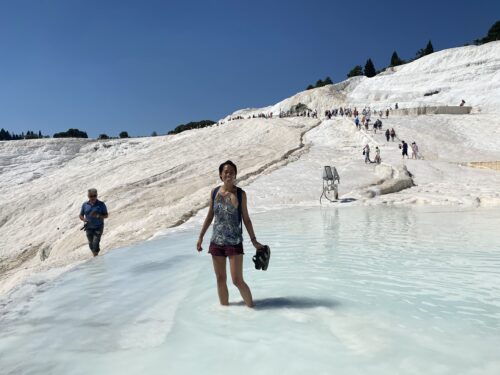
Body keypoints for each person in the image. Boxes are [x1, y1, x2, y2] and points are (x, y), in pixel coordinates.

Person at [197, 160, 263, 308]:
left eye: (232, 172)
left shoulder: (240, 194)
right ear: (221, 175)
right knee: (220, 278)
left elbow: (246, 219)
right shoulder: (214, 192)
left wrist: (254, 241)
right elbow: (209, 216)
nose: (229, 174)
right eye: (226, 171)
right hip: (217, 241)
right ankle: (224, 311)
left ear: (235, 175)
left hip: (234, 242)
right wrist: (201, 236)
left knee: (237, 280)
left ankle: (252, 309)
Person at [79, 189, 108, 257]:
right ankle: (95, 256)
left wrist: (98, 215)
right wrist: (84, 219)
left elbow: (106, 215)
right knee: (91, 244)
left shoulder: (101, 204)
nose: (93, 198)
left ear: (96, 195)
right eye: (91, 196)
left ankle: (96, 257)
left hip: (98, 227)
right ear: (88, 196)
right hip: (88, 227)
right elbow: (80, 215)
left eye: (94, 196)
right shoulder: (85, 205)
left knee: (95, 243)